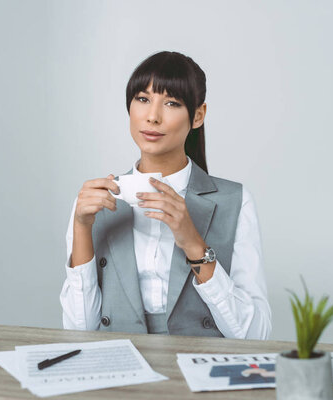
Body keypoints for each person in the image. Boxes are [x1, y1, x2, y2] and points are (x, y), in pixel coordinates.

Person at [59, 51, 271, 339]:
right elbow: (78, 331)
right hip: (121, 369)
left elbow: (256, 335)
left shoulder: (235, 200)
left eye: (171, 103)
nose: (152, 117)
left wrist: (193, 242)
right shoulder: (95, 201)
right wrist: (82, 228)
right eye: (143, 99)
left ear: (198, 116)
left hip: (199, 372)